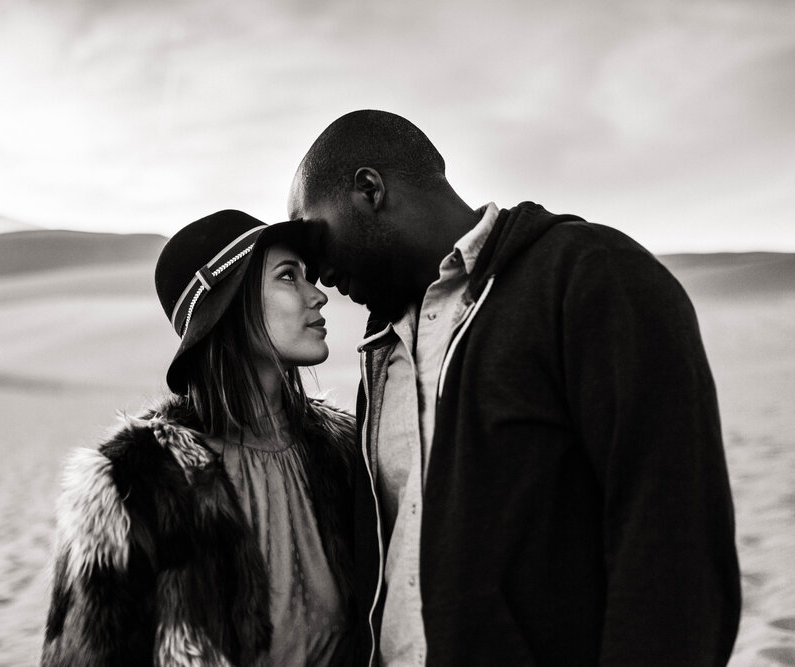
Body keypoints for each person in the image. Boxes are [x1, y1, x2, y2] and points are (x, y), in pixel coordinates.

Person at [288, 110, 741, 666]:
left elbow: (675, 547)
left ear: (369, 189)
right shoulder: (382, 348)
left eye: (315, 238)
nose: (318, 274)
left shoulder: (591, 275)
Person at [41, 210, 357, 665]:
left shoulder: (343, 450)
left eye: (309, 276)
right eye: (288, 277)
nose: (318, 296)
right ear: (228, 305)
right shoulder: (132, 483)